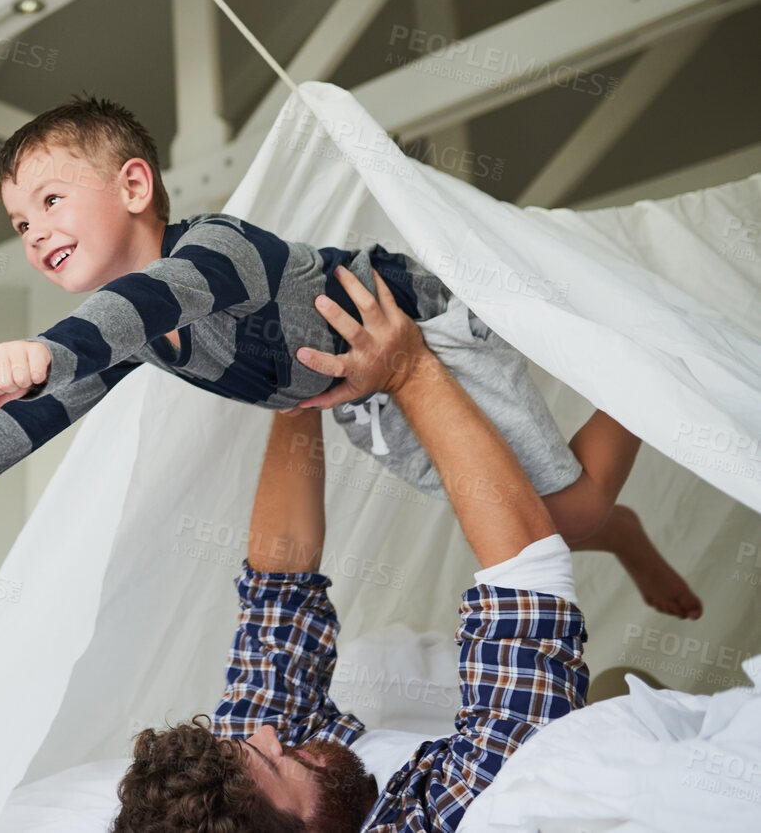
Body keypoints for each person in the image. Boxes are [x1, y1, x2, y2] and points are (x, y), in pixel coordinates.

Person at [0, 96, 700, 618]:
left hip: (416, 331)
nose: (35, 229)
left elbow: (142, 303)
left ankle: (644, 381)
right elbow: (39, 411)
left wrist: (43, 347)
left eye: (49, 200)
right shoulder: (131, 334)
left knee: (563, 517)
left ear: (134, 187)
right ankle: (616, 528)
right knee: (511, 511)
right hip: (363, 395)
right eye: (19, 223)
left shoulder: (219, 251)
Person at [113, 266, 589, 833]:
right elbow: (528, 586)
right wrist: (409, 371)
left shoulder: (247, 772)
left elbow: (278, 599)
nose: (269, 736)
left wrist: (299, 388)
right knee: (577, 514)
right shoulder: (468, 815)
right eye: (274, 760)